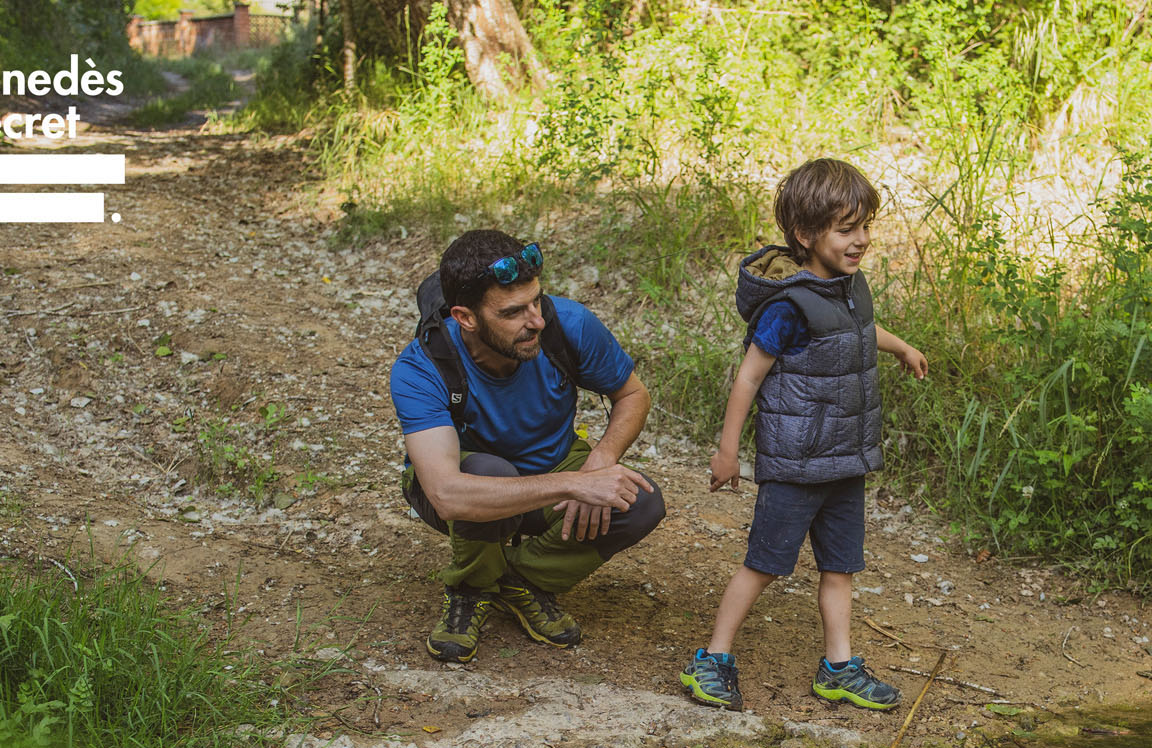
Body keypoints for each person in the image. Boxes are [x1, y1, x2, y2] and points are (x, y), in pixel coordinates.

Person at [679, 159, 928, 712]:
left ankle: (838, 667)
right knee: (764, 564)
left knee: (841, 567)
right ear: (806, 234)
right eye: (846, 229)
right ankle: (713, 659)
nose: (861, 240)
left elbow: (860, 330)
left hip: (845, 460)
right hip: (795, 463)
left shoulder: (849, 286)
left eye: (866, 226)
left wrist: (903, 347)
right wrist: (728, 451)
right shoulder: (789, 306)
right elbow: (748, 377)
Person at [392, 229, 665, 662]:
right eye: (513, 312)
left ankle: (519, 579)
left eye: (536, 301)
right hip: (470, 483)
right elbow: (446, 493)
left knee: (640, 501)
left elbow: (633, 394)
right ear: (466, 318)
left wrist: (601, 459)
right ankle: (470, 588)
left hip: (550, 464)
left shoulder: (569, 325)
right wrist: (574, 485)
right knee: (489, 472)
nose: (535, 320)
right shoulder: (421, 367)